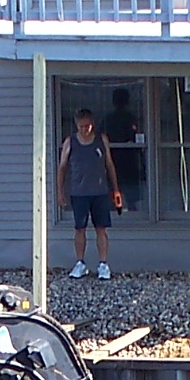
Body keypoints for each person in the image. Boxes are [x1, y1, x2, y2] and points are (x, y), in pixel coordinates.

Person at [58, 106, 123, 280]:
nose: (84, 130)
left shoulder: (101, 140)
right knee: (80, 228)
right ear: (76, 125)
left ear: (92, 124)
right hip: (79, 192)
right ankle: (80, 263)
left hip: (100, 192)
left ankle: (103, 264)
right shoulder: (70, 142)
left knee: (101, 228)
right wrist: (60, 192)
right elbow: (62, 167)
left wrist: (115, 188)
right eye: (81, 126)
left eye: (87, 126)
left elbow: (109, 164)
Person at [103, 87, 144, 214]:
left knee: (123, 192)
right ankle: (124, 212)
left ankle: (119, 212)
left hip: (122, 160)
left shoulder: (110, 119)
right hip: (123, 161)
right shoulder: (126, 118)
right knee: (125, 193)